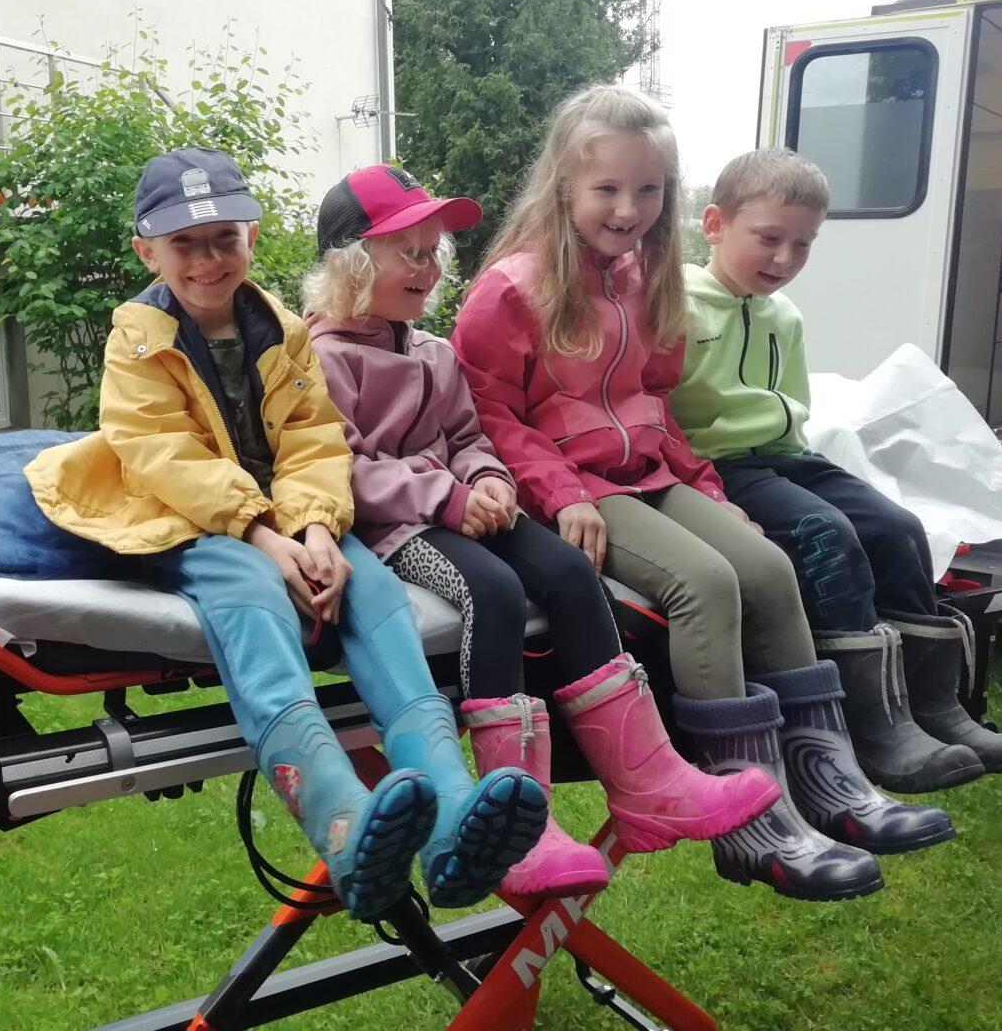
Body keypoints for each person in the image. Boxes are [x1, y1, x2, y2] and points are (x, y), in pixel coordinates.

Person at [27, 148, 547, 921]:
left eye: (224, 238)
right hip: (185, 517)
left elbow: (313, 438)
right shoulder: (135, 343)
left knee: (371, 590)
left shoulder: (281, 329)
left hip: (279, 512)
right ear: (146, 252)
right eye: (183, 243)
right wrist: (267, 539)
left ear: (252, 237)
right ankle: (341, 821)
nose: (207, 260)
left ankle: (450, 819)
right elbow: (163, 455)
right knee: (250, 594)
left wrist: (317, 530)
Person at [450, 85, 920, 902]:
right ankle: (746, 818)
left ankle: (825, 781)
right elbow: (488, 410)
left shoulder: (645, 276)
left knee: (767, 568)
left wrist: (708, 487)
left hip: (651, 472)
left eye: (648, 189)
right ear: (563, 184)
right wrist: (561, 494)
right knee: (702, 583)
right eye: (607, 188)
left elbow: (655, 402)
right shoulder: (513, 287)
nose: (628, 209)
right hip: (572, 486)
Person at [301, 164, 777, 901]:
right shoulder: (321, 358)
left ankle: (648, 779)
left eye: (433, 253)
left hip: (469, 505)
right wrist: (447, 497)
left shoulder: (431, 351)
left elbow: (468, 434)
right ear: (351, 265)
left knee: (569, 572)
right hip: (395, 529)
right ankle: (517, 826)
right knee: (492, 591)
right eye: (408, 254)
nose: (428, 269)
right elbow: (337, 467)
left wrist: (490, 478)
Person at [671, 147, 1002, 783]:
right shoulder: (676, 306)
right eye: (769, 238)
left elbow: (791, 410)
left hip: (786, 458)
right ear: (716, 225)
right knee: (825, 534)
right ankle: (873, 723)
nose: (785, 259)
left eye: (803, 245)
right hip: (715, 466)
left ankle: (935, 706)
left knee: (900, 527)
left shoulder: (784, 315)